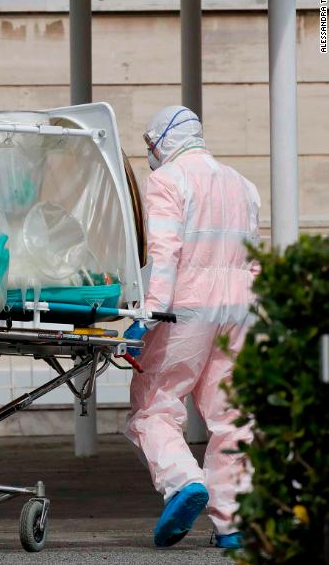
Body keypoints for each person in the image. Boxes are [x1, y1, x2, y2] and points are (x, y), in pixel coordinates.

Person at [123, 105, 260, 550]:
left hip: (186, 311)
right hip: (237, 312)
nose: (150, 155)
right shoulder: (244, 186)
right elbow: (253, 260)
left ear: (163, 141)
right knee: (232, 415)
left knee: (153, 405)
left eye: (150, 146)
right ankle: (233, 523)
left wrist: (148, 317)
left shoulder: (167, 181)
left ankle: (183, 482)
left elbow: (165, 254)